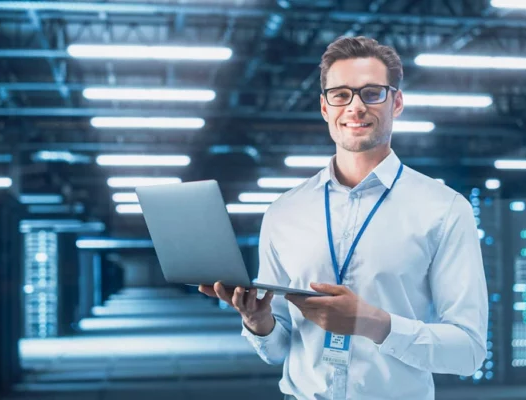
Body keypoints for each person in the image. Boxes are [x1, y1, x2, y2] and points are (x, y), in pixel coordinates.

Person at [199, 36, 488, 400]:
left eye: (372, 93)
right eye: (340, 94)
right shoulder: (285, 211)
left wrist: (373, 324)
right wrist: (259, 323)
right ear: (324, 107)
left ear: (396, 102)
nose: (355, 107)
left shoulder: (444, 209)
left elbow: (469, 351)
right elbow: (278, 349)